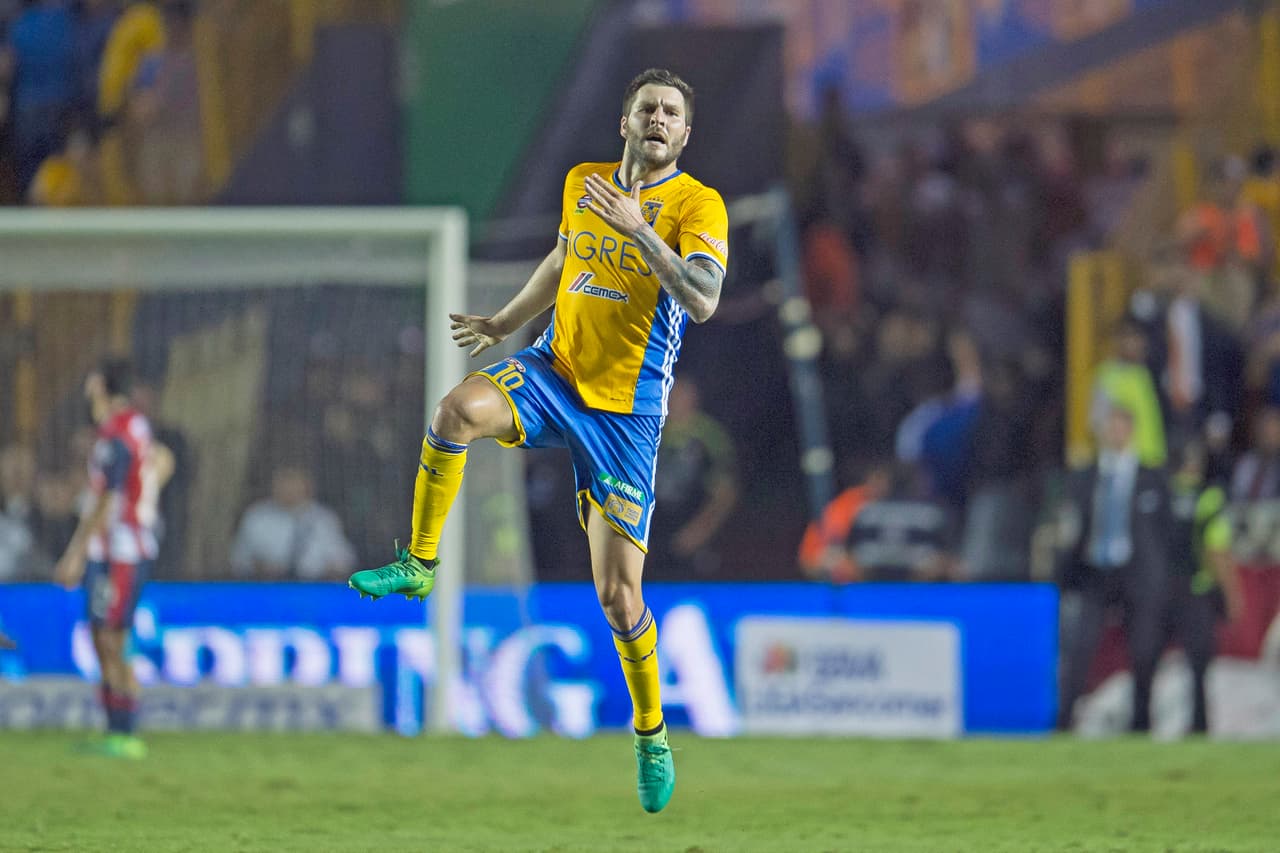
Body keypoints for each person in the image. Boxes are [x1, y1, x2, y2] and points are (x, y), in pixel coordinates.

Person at [347, 68, 728, 814]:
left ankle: (651, 733)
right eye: (647, 108)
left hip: (627, 415)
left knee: (619, 596)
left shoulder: (698, 204)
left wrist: (640, 229)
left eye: (671, 112)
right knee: (455, 411)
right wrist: (502, 321)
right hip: (555, 371)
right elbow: (563, 260)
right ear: (625, 122)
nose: (657, 118)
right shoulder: (583, 181)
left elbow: (704, 299)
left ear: (685, 135)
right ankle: (419, 563)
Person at [53, 357, 172, 759]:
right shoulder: (133, 426)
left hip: (121, 550)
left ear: (102, 386)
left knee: (110, 635)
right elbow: (162, 460)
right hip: (118, 547)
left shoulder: (117, 434)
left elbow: (107, 497)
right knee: (104, 633)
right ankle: (115, 728)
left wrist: (75, 554)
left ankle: (125, 731)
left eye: (92, 383)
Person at [1055, 403, 1170, 733]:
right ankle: (1063, 723)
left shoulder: (1152, 477)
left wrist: (1161, 575)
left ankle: (1141, 724)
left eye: (1121, 425)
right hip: (1095, 570)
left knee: (1143, 651)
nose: (1116, 431)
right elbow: (1070, 527)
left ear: (1131, 430)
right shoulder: (1084, 476)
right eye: (1111, 425)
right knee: (1080, 647)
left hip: (1137, 573)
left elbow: (1166, 531)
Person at [1165, 440, 1242, 734]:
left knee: (1148, 657)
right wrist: (1232, 594)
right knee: (1199, 662)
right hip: (1198, 589)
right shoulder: (1209, 497)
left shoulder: (1162, 492)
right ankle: (1199, 725)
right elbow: (1217, 548)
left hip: (1161, 590)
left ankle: (1142, 723)